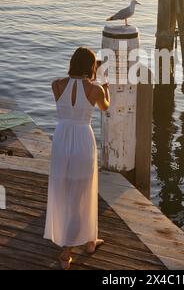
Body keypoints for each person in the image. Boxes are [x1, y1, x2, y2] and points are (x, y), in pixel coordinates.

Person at [44, 47, 110, 270]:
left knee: (64, 190)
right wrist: (106, 90)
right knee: (82, 193)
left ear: (72, 62)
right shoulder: (96, 89)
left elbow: (67, 105)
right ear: (91, 66)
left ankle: (90, 239)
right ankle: (66, 253)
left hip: (61, 139)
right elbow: (105, 108)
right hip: (82, 139)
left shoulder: (56, 84)